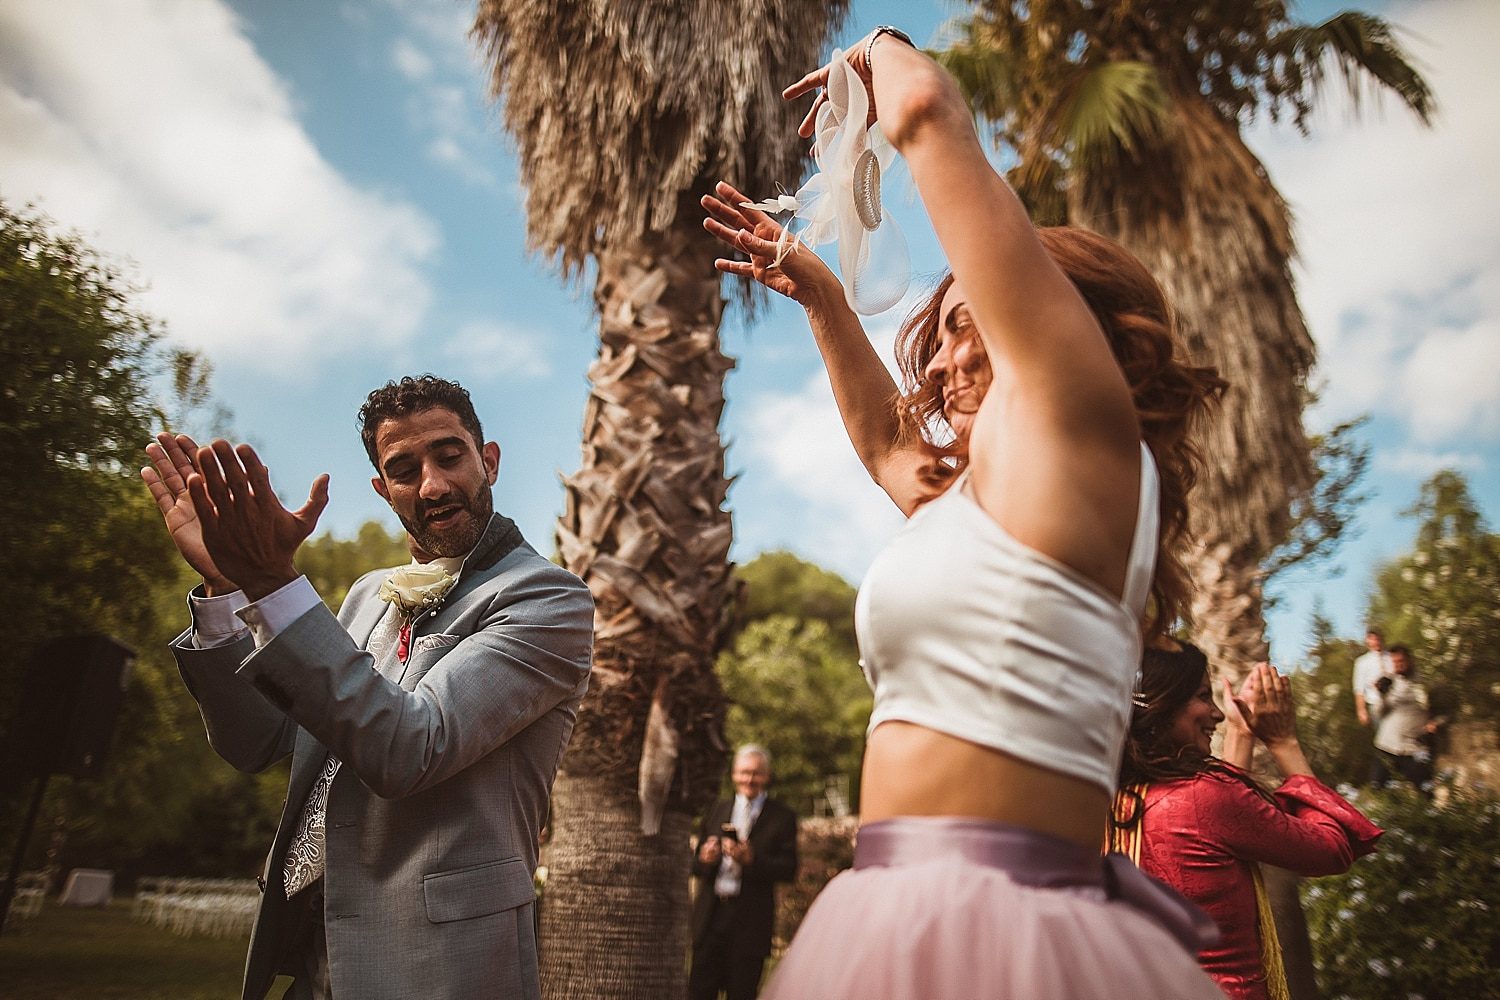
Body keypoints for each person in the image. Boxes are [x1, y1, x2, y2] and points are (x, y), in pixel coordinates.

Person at [702, 26, 1227, 998]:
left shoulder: (1081, 440)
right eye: (933, 343)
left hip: (1015, 925)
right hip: (887, 902)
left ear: (1065, 326)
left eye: (962, 326)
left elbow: (928, 114)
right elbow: (884, 443)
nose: (939, 367)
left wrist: (886, 51)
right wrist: (818, 290)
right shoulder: (981, 502)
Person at [140, 375, 593, 1000]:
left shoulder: (548, 598)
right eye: (404, 469)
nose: (431, 484)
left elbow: (410, 747)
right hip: (314, 953)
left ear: (487, 460)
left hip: (438, 963)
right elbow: (255, 741)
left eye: (449, 455)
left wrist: (273, 584)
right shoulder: (365, 595)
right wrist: (227, 588)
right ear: (384, 490)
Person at [1109, 643, 1382, 1000]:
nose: (1217, 714)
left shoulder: (1113, 799)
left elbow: (1218, 827)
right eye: (1203, 697)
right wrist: (1284, 742)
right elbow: (1332, 848)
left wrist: (1241, 733)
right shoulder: (1205, 796)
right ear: (1162, 703)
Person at [688, 745, 800, 1000]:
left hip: (749, 922)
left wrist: (751, 860)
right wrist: (706, 859)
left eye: (756, 773)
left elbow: (789, 869)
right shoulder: (717, 810)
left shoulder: (781, 817)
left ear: (767, 775)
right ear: (733, 775)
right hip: (711, 918)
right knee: (698, 992)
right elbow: (695, 866)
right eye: (744, 772)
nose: (749, 779)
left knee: (742, 992)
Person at [1370, 644, 1442, 795]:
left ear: (1410, 660)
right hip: (1387, 745)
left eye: (1401, 660)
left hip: (1414, 747)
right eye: (1394, 662)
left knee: (1425, 793)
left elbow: (1445, 710)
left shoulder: (1425, 682)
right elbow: (1378, 713)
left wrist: (1435, 723)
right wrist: (1381, 694)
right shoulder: (1389, 682)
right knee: (1378, 791)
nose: (1398, 665)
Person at [1352, 627, 1392, 729]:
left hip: (1395, 700)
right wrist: (1361, 710)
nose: (1376, 642)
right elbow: (1359, 689)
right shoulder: (1362, 662)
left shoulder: (1391, 656)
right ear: (1368, 641)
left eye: (1377, 639)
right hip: (1376, 704)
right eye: (1372, 639)